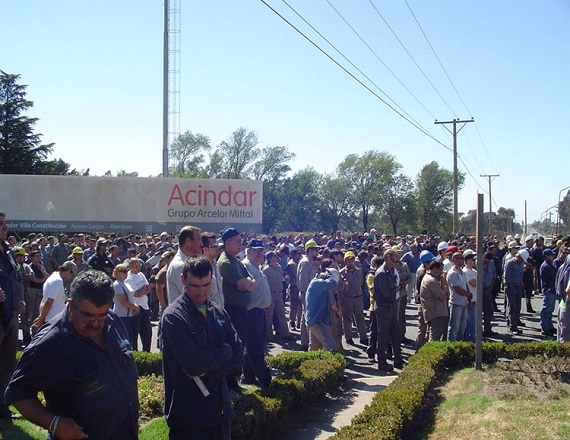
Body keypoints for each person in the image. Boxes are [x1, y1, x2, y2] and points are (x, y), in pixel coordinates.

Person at [5, 270, 139, 439]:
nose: (96, 323)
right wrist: (54, 423)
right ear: (70, 305)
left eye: (101, 315)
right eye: (88, 316)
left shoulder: (112, 321)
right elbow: (17, 393)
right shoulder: (51, 343)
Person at [161, 255, 243, 440]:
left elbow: (238, 356)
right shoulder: (174, 317)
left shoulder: (218, 311)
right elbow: (193, 364)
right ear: (183, 280)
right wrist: (224, 352)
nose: (201, 292)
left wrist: (210, 368)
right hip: (190, 417)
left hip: (220, 411)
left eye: (206, 285)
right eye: (195, 286)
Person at [217, 228, 255, 395]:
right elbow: (243, 284)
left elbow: (252, 281)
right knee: (234, 346)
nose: (241, 244)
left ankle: (235, 382)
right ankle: (230, 383)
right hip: (232, 310)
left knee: (241, 346)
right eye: (238, 241)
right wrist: (247, 284)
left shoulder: (237, 261)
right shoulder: (225, 262)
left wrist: (248, 283)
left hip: (242, 310)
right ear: (227, 243)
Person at [0, 211, 25, 420]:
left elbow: (16, 278)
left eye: (5, 223)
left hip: (10, 314)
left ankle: (2, 407)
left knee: (7, 363)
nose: (5, 227)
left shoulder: (8, 251)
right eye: (0, 224)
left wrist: (21, 301)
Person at [241, 239, 272, 388]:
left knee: (253, 346)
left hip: (259, 311)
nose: (260, 253)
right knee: (256, 347)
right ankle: (265, 380)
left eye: (261, 250)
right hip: (252, 312)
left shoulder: (257, 266)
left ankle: (247, 376)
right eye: (256, 250)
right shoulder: (246, 266)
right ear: (248, 251)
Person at [374, 249, 404, 372]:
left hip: (391, 305)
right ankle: (381, 361)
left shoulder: (391, 270)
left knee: (395, 333)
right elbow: (385, 293)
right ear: (388, 258)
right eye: (395, 259)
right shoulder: (381, 273)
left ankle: (397, 358)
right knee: (383, 335)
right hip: (383, 306)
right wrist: (396, 290)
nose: (397, 262)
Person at [305, 262, 339, 351]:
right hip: (316, 320)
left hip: (315, 320)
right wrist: (328, 276)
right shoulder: (317, 283)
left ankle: (311, 364)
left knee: (314, 347)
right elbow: (333, 283)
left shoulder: (318, 283)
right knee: (330, 344)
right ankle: (329, 363)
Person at [33, 261, 77, 331]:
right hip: (53, 320)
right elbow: (49, 302)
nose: (71, 277)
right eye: (72, 274)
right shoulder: (58, 281)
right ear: (68, 270)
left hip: (51, 318)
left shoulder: (52, 277)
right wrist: (41, 317)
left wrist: (41, 316)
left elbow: (44, 300)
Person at [339, 251, 368, 346]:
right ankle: (348, 337)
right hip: (347, 298)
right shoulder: (342, 272)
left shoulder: (359, 271)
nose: (350, 262)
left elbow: (361, 282)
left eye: (352, 260)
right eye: (348, 260)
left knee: (360, 318)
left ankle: (363, 337)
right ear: (345, 261)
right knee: (347, 320)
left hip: (358, 297)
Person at [167, 226, 202, 303]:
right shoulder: (179, 266)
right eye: (199, 239)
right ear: (188, 241)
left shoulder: (187, 262)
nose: (201, 243)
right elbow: (197, 297)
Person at [125, 257, 152, 352]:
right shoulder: (128, 278)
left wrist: (142, 291)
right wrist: (143, 290)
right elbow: (136, 293)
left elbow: (149, 288)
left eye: (139, 266)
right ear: (131, 267)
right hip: (136, 308)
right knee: (134, 333)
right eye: (136, 267)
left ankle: (147, 353)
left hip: (145, 306)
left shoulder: (141, 274)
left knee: (147, 333)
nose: (139, 269)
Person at [420, 260, 449, 341]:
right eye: (440, 270)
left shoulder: (434, 279)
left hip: (437, 312)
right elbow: (443, 297)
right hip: (435, 313)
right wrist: (443, 282)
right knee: (434, 337)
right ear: (434, 269)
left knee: (437, 335)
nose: (441, 272)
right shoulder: (431, 280)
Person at [112, 263, 139, 345]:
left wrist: (135, 306)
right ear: (117, 272)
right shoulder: (117, 285)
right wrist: (134, 307)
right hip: (122, 316)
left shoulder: (126, 284)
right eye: (123, 271)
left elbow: (132, 298)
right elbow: (123, 301)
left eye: (126, 271)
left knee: (132, 339)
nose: (126, 273)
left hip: (131, 315)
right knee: (124, 340)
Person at [447, 252, 470, 342]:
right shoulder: (452, 273)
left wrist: (468, 297)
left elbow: (465, 285)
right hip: (456, 303)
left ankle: (460, 344)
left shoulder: (462, 272)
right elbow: (457, 289)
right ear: (455, 260)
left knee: (462, 327)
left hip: (464, 302)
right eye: (460, 258)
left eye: (463, 258)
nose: (462, 260)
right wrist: (468, 294)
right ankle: (451, 345)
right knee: (454, 327)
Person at [503, 249, 528, 335]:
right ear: (518, 257)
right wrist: (510, 287)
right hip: (511, 287)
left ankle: (514, 322)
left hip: (518, 287)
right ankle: (512, 327)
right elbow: (506, 276)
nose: (522, 262)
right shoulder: (510, 263)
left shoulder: (520, 264)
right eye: (522, 259)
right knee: (512, 307)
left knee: (518, 307)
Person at [539, 248, 558, 336]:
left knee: (550, 309)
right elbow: (555, 275)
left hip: (552, 289)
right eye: (551, 255)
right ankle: (544, 327)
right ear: (546, 256)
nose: (552, 257)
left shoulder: (550, 265)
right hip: (548, 289)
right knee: (546, 309)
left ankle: (549, 326)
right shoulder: (546, 266)